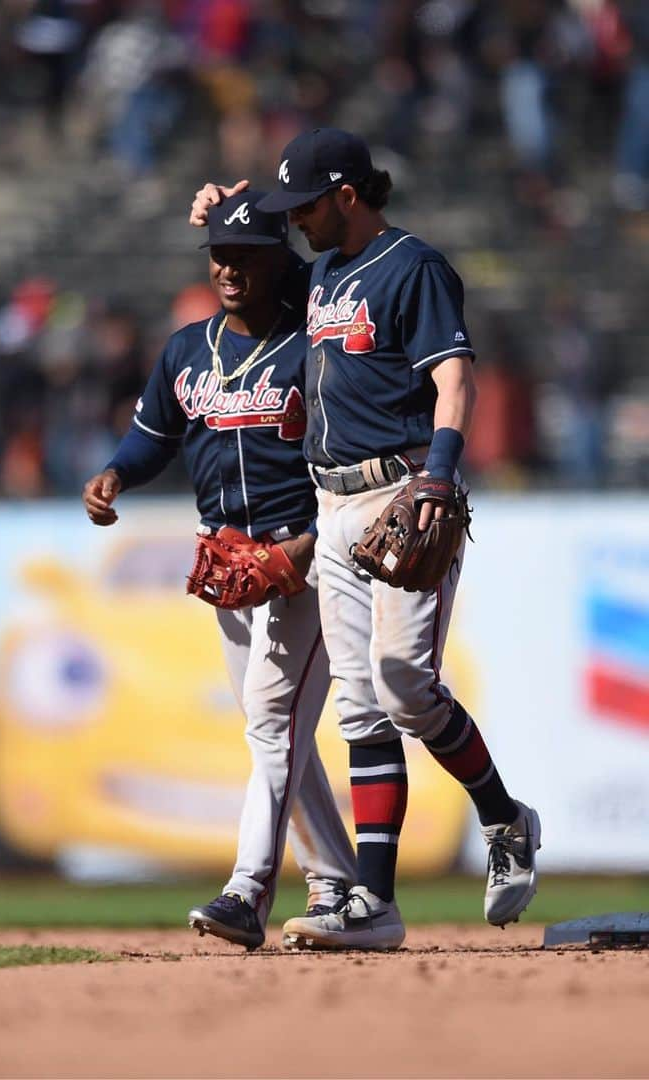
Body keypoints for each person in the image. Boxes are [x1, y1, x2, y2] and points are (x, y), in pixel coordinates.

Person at [190, 128, 541, 951]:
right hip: (330, 501)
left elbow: (456, 378)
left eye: (305, 204)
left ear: (348, 194)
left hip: (403, 491)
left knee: (403, 684)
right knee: (357, 704)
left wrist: (439, 477)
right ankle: (373, 905)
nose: (297, 220)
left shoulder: (412, 266)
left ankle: (503, 816)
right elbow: (248, 275)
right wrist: (222, 213)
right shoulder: (319, 276)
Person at [82, 191, 357, 950]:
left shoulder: (311, 345)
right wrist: (114, 475)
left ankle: (246, 892)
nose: (229, 267)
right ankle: (337, 883)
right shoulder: (184, 349)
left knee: (273, 723)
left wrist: (311, 540)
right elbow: (151, 438)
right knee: (278, 734)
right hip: (225, 562)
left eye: (246, 254)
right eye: (219, 254)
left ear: (279, 261)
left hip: (300, 555)